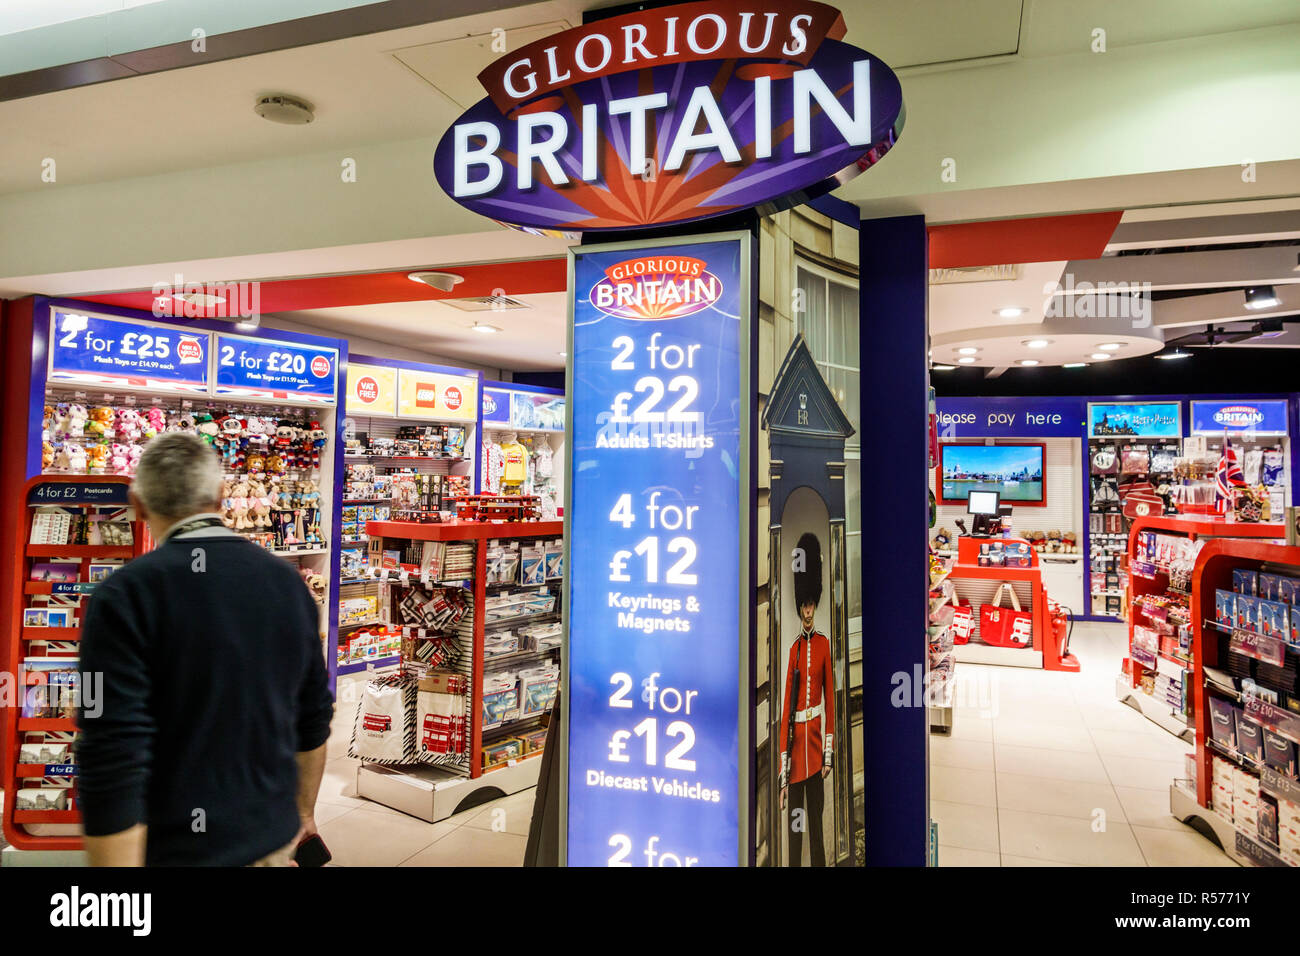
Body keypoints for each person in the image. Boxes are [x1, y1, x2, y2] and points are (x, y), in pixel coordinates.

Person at [77, 432, 334, 866]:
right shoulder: (287, 584)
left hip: (173, 851)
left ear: (137, 505)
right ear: (218, 496)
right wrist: (304, 815)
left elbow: (109, 745)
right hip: (268, 838)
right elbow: (312, 716)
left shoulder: (120, 597)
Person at [778, 531, 835, 867]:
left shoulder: (825, 646)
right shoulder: (793, 651)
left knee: (815, 821)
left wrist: (827, 753)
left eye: (811, 604)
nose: (808, 609)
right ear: (800, 608)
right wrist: (784, 772)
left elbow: (829, 701)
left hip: (815, 751)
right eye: (804, 605)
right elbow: (787, 710)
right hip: (797, 754)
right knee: (794, 825)